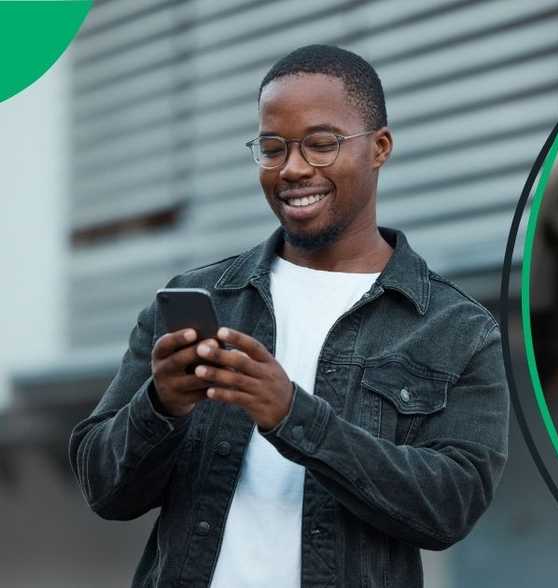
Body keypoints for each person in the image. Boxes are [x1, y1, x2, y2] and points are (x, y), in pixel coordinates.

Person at [69, 45, 509, 587]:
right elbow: (103, 489)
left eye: (321, 145)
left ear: (380, 148)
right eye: (273, 148)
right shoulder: (199, 297)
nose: (294, 169)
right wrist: (160, 406)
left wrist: (291, 416)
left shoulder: (455, 328)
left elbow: (450, 507)